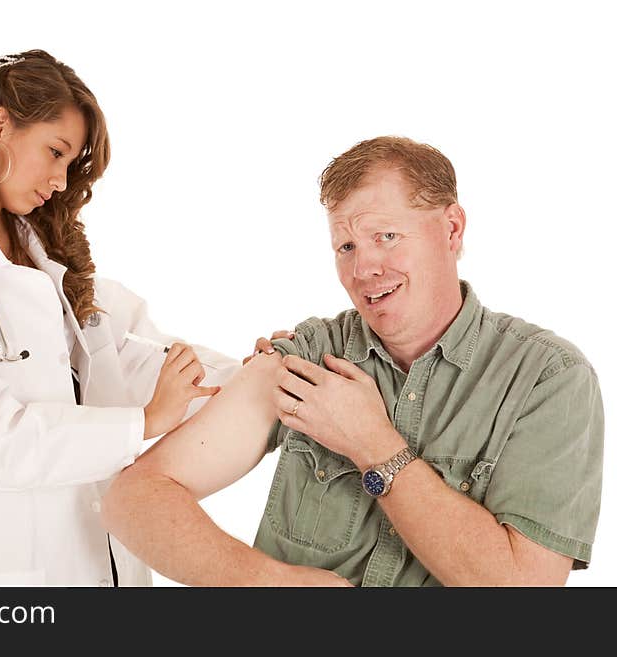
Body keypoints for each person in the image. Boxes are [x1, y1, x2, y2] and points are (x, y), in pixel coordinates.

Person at [102, 136, 604, 586]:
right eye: (346, 246)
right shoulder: (309, 355)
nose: (363, 268)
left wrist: (373, 445)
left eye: (386, 236)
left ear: (452, 229)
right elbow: (135, 499)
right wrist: (270, 585)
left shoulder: (547, 378)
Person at [0, 50, 239, 586]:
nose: (59, 179)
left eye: (70, 164)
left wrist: (266, 374)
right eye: (55, 152)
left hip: (91, 567)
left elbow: (136, 355)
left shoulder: (45, 261)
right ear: (0, 126)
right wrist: (143, 423)